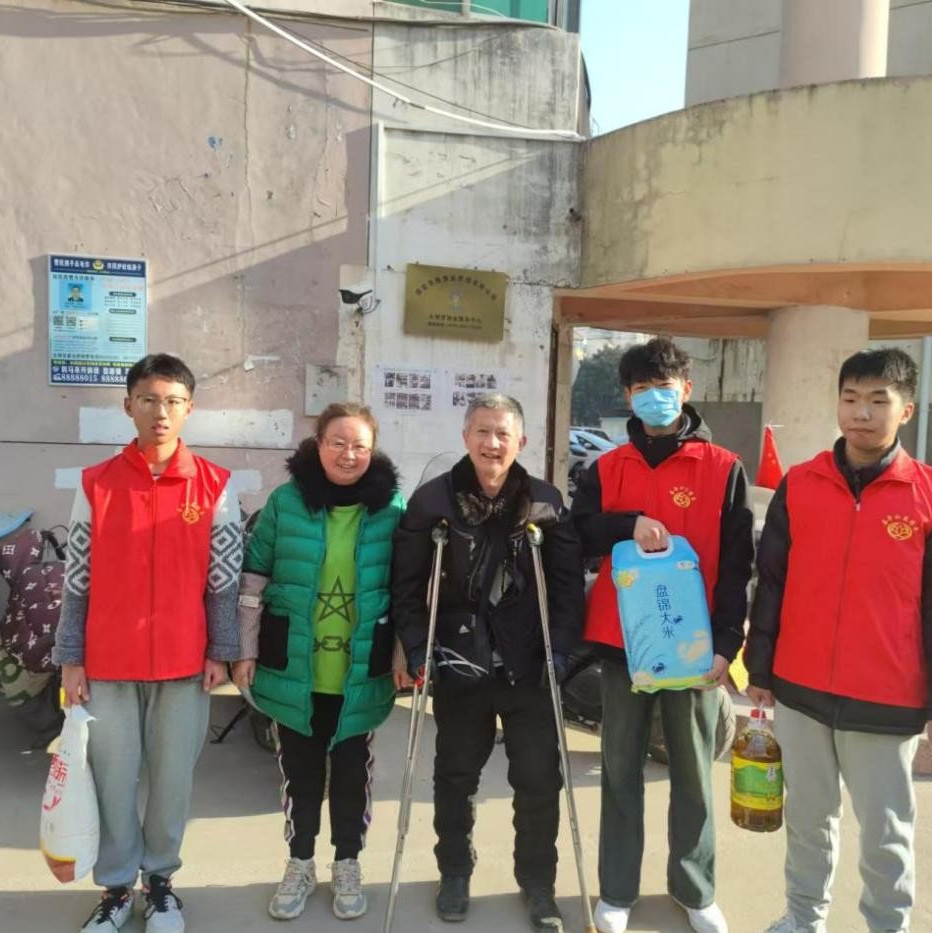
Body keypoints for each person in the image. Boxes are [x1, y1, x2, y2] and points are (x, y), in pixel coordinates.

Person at [745, 348, 932, 933]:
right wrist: (762, 670)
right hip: (800, 689)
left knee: (885, 831)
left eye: (879, 401)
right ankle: (803, 918)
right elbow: (771, 583)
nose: (861, 413)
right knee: (807, 819)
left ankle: (887, 925)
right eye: (850, 399)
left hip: (887, 698)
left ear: (906, 411)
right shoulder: (800, 485)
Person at [55, 353, 245, 933]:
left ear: (189, 408)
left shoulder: (215, 485)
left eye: (173, 402)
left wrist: (221, 651)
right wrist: (71, 658)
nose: (161, 412)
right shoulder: (96, 484)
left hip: (185, 664)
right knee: (113, 782)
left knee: (171, 781)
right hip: (108, 663)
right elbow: (77, 577)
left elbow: (224, 580)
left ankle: (160, 882)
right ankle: (116, 887)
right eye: (149, 400)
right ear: (129, 406)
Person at [572, 337, 754, 933]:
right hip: (624, 644)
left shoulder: (722, 467)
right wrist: (627, 525)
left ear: (687, 391)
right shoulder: (606, 468)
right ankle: (617, 891)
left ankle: (694, 889)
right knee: (620, 769)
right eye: (643, 389)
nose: (655, 398)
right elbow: (580, 533)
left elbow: (738, 564)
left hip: (693, 648)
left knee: (694, 773)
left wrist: (727, 643)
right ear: (628, 396)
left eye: (664, 387)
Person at [392, 393, 586, 932]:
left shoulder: (544, 501)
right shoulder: (433, 500)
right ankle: (454, 872)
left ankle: (538, 883)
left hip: (530, 664)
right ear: (465, 438)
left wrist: (561, 652)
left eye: (503, 433)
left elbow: (567, 588)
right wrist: (418, 648)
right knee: (455, 777)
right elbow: (406, 585)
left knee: (539, 780)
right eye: (481, 431)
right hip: (461, 662)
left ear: (521, 441)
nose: (492, 443)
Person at [233, 402, 408, 922]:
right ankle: (300, 862)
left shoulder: (392, 509)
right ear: (318, 444)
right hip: (294, 666)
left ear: (372, 450)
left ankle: (347, 863)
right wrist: (245, 650)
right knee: (300, 775)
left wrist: (403, 656)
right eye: (337, 442)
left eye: (359, 446)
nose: (348, 454)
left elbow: (406, 591)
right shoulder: (286, 502)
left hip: (360, 670)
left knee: (353, 776)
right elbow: (253, 580)